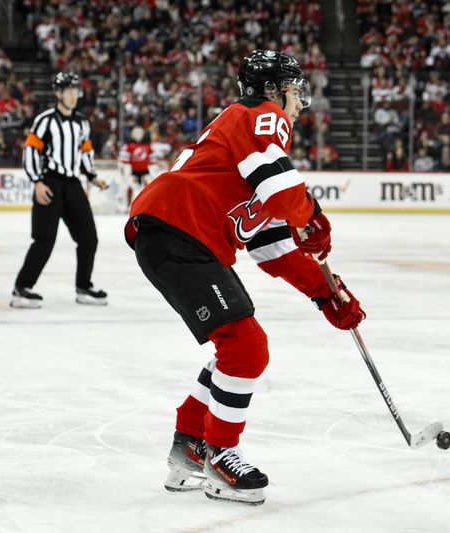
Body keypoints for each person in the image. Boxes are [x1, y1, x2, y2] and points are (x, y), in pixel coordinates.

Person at [124, 50, 366, 505]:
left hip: (179, 235)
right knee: (246, 345)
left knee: (235, 346)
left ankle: (190, 449)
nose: (299, 103)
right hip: (180, 231)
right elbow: (283, 189)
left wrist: (326, 293)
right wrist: (311, 215)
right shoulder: (261, 116)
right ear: (274, 90)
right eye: (295, 91)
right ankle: (221, 455)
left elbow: (271, 246)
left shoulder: (248, 144)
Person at [10, 72, 109, 309]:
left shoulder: (82, 123)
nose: (73, 96)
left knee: (89, 238)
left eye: (76, 91)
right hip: (50, 183)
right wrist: (37, 181)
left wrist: (93, 177)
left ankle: (84, 286)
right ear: (58, 94)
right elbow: (32, 151)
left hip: (73, 184)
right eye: (68, 91)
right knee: (44, 239)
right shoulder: (45, 120)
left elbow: (85, 153)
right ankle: (22, 288)